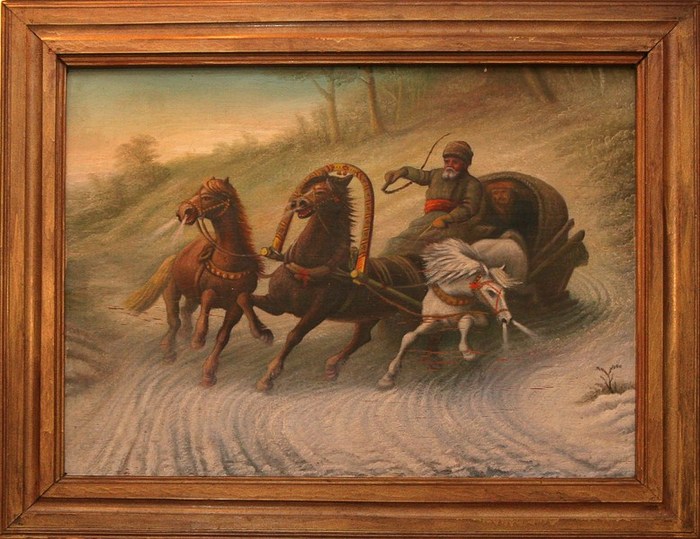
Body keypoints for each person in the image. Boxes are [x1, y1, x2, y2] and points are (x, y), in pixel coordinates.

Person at [381, 140, 483, 256]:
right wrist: (401, 172)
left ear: (465, 164)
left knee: (422, 243)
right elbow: (420, 175)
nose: (450, 165)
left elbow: (469, 208)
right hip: (427, 220)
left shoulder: (472, 183)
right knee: (399, 241)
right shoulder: (436, 174)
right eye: (447, 161)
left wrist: (447, 218)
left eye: (455, 162)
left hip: (452, 223)